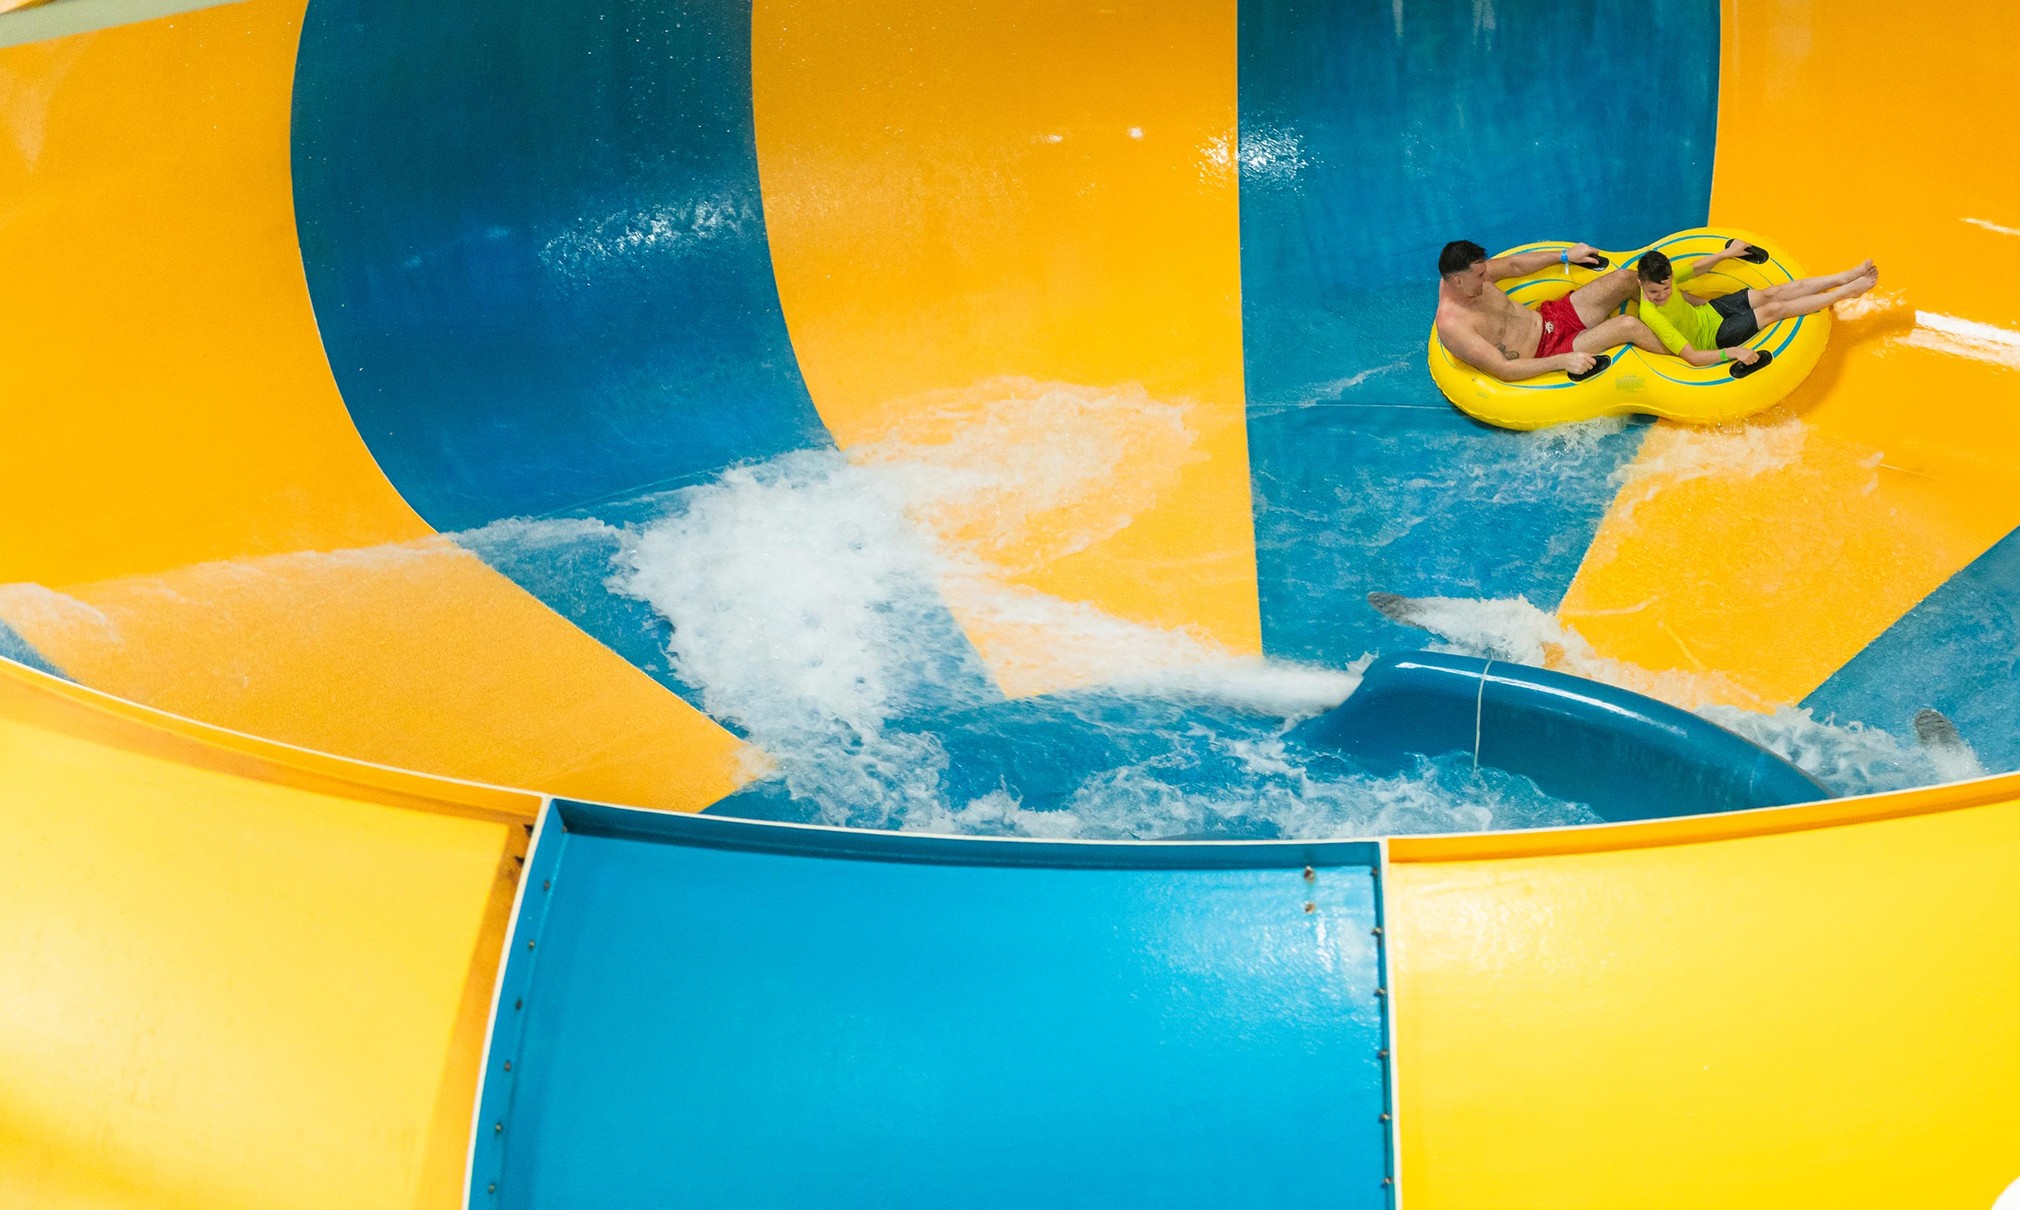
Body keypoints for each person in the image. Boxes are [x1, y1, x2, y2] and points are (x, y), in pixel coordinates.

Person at [1435, 239, 1665, 382]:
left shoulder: (1469, 277)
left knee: (1625, 278)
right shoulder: (1453, 325)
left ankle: (1695, 307)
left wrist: (1565, 256)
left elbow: (1514, 265)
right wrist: (1562, 361)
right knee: (1627, 325)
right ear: (1457, 281)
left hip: (1551, 317)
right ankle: (1688, 355)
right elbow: (1503, 369)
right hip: (1549, 351)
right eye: (1480, 276)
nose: (1486, 278)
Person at [1637, 240, 1875, 368]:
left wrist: (1726, 254)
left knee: (1772, 293)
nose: (1662, 295)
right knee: (1773, 309)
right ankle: (1845, 293)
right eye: (1654, 291)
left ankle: (1841, 277)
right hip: (1713, 337)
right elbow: (1693, 357)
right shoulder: (1651, 313)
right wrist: (1733, 352)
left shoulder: (1665, 275)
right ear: (1641, 284)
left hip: (1709, 311)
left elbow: (1697, 268)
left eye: (1666, 288)